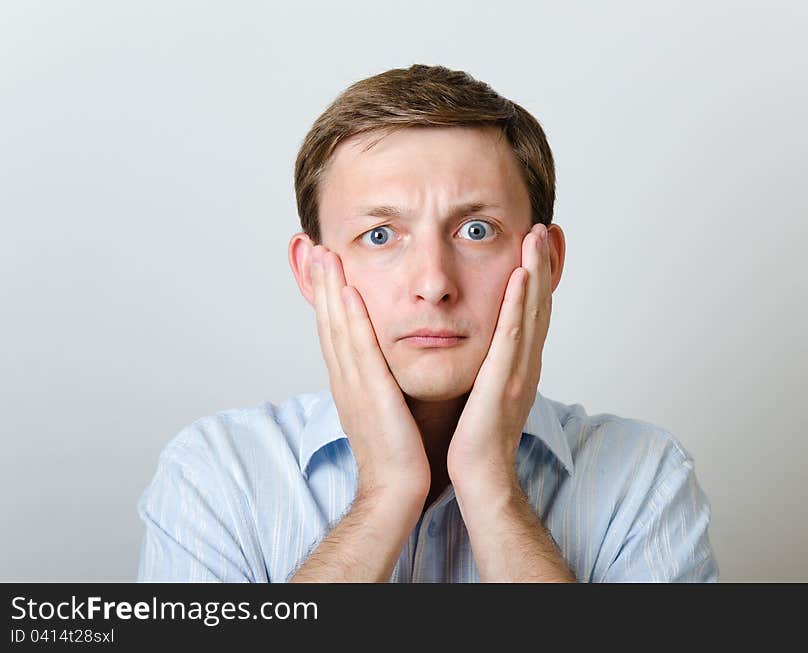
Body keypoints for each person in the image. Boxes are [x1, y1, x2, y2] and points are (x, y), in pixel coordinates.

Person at [136, 64, 719, 583]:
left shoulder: (644, 477)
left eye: (476, 230)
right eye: (381, 235)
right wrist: (385, 496)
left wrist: (491, 486)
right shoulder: (216, 473)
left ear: (548, 263)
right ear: (314, 274)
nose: (434, 282)